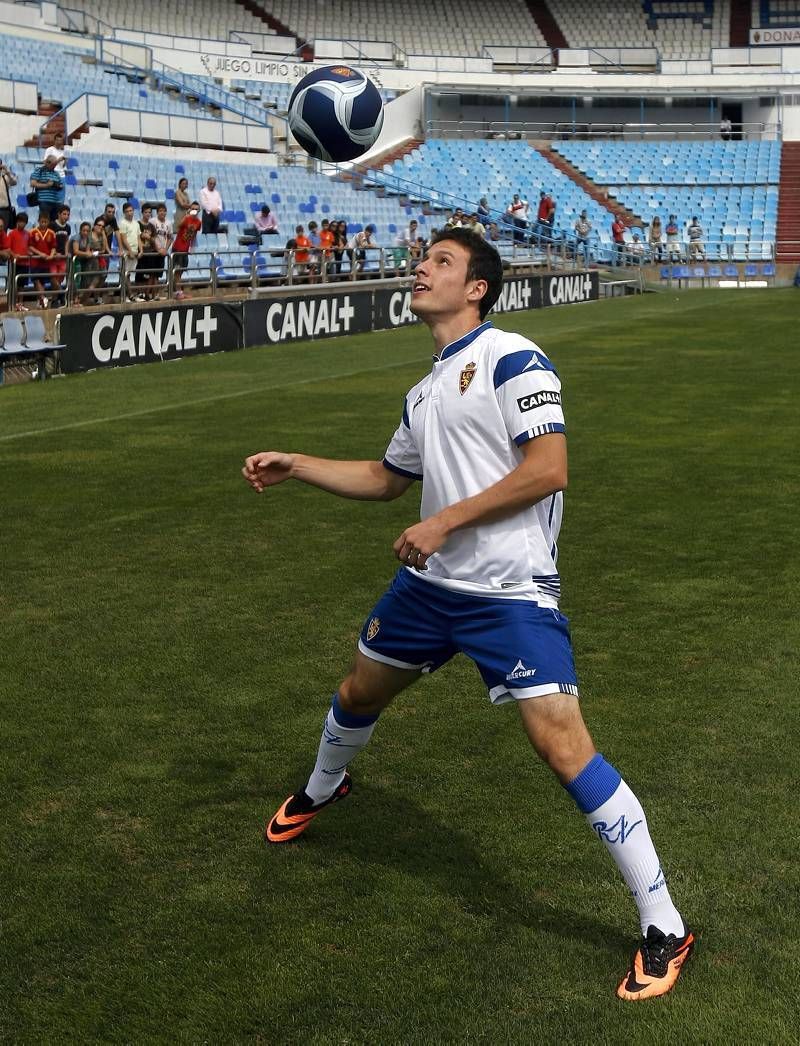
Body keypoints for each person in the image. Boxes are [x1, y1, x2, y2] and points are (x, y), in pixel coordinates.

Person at [243, 225, 694, 1003]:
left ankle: (665, 924)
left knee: (563, 748)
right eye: (423, 259)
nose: (421, 268)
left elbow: (548, 470)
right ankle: (324, 788)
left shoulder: (515, 358)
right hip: (429, 590)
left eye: (441, 262)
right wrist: (299, 464)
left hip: (510, 592)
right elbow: (388, 479)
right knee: (357, 692)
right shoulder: (423, 391)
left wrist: (445, 522)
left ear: (476, 287)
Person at [171, 202, 202, 300]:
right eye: (193, 208)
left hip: (185, 250)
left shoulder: (198, 222)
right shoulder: (186, 218)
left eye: (196, 209)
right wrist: (186, 215)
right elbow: (178, 225)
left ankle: (176, 292)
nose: (195, 211)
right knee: (177, 271)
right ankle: (178, 292)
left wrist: (192, 247)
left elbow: (194, 235)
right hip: (178, 248)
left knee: (180, 272)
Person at [29, 211, 57, 308]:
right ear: (38, 221)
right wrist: (40, 254)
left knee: (43, 281)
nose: (43, 224)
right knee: (36, 280)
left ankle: (40, 300)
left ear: (48, 222)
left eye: (45, 222)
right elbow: (30, 247)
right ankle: (42, 297)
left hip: (46, 262)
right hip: (35, 261)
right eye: (42, 222)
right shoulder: (33, 232)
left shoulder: (52, 233)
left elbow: (53, 247)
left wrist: (52, 255)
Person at [29, 155, 64, 221]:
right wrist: (47, 185)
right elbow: (33, 183)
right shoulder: (39, 171)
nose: (54, 167)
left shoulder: (56, 173)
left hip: (55, 201)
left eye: (55, 165)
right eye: (53, 165)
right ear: (48, 163)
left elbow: (61, 185)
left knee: (54, 222)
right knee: (45, 220)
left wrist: (56, 185)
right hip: (44, 201)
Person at [7, 211, 31, 308]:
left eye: (24, 222)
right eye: (20, 221)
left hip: (25, 263)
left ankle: (20, 304)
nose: (22, 223)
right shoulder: (12, 233)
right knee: (14, 284)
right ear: (17, 222)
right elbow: (8, 248)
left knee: (22, 285)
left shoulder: (28, 234)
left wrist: (29, 253)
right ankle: (13, 303)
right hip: (14, 263)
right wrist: (14, 255)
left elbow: (29, 247)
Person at [118, 202, 141, 298]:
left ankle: (128, 294)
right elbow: (123, 238)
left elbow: (138, 238)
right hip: (127, 252)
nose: (129, 213)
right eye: (127, 211)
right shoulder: (122, 223)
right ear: (124, 212)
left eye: (131, 210)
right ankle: (128, 294)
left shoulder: (136, 223)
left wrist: (141, 250)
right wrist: (130, 251)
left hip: (135, 251)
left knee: (129, 273)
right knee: (125, 274)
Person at [50, 204, 71, 305]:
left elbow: (67, 240)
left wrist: (66, 253)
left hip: (62, 257)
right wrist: (54, 252)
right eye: (64, 214)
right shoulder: (53, 225)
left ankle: (55, 299)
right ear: (59, 214)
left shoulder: (68, 227)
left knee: (59, 278)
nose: (66, 216)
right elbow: (50, 240)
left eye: (67, 214)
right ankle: (62, 294)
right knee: (53, 277)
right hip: (53, 256)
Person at [69, 221, 94, 306]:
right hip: (73, 260)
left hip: (82, 260)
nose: (85, 233)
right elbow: (75, 251)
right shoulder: (76, 238)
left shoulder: (89, 238)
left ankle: (78, 299)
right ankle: (72, 300)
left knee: (83, 280)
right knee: (74, 281)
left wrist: (89, 253)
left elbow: (87, 250)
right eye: (84, 230)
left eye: (87, 231)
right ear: (80, 230)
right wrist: (87, 254)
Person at [0, 157, 18, 231]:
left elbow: (14, 182)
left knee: (3, 233)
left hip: (5, 209)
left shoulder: (5, 177)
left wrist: (7, 171)